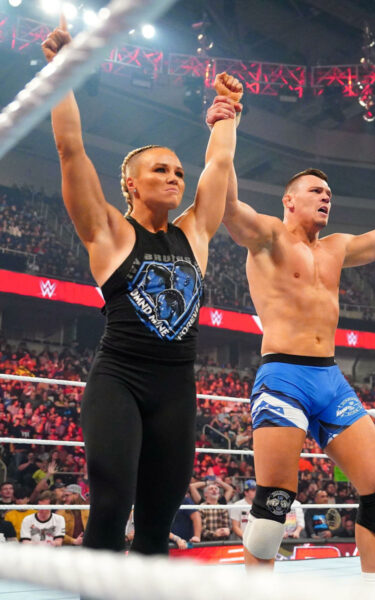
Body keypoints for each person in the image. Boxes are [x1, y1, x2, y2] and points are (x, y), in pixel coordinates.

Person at [209, 98, 375, 580]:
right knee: (275, 499)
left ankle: (373, 590)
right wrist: (225, 125)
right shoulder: (268, 237)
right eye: (316, 190)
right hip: (283, 375)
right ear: (289, 200)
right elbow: (226, 203)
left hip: (329, 379)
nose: (326, 197)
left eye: (329, 193)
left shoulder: (338, 247)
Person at [41, 16, 242, 557]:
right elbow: (70, 149)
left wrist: (226, 113)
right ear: (130, 183)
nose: (175, 178)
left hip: (177, 388)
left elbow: (219, 163)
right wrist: (62, 73)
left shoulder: (194, 234)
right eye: (161, 171)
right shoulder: (108, 231)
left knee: (157, 523)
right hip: (120, 381)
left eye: (178, 172)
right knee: (111, 507)